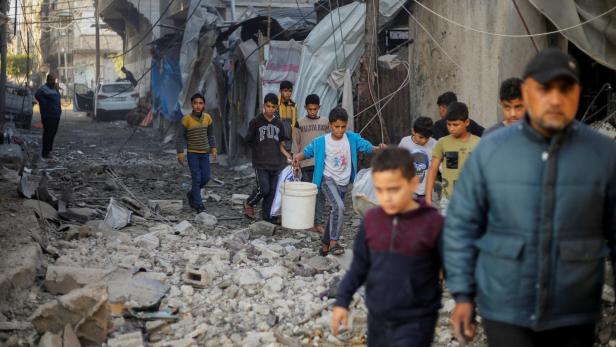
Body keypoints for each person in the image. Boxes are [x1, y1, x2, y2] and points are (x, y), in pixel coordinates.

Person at [444, 48, 616, 347]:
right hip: (505, 309)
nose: (555, 98)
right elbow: (461, 226)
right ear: (527, 91)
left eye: (566, 88)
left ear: (578, 93)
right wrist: (462, 294)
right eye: (544, 88)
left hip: (574, 312)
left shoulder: (603, 155)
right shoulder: (491, 151)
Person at [331, 147, 444, 346]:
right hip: (378, 317)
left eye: (394, 189)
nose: (386, 197)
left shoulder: (432, 223)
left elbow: (454, 267)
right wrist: (342, 302)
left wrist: (464, 299)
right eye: (379, 190)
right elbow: (358, 268)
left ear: (413, 183)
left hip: (417, 319)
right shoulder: (372, 221)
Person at [293, 107, 383, 256]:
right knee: (339, 207)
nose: (340, 130)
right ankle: (334, 242)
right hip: (327, 180)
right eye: (336, 127)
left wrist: (377, 149)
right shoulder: (322, 141)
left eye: (343, 127)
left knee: (336, 211)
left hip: (343, 182)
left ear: (346, 125)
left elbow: (366, 147)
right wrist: (297, 158)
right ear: (330, 125)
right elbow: (308, 151)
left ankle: (325, 245)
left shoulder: (352, 138)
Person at [244, 93, 292, 222]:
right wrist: (257, 150)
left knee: (272, 191)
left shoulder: (279, 124)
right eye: (267, 106)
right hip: (260, 163)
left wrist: (288, 156)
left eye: (273, 107)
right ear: (264, 105)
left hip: (276, 163)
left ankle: (267, 218)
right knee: (263, 189)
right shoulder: (256, 122)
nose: (270, 109)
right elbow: (248, 139)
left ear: (276, 107)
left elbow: (281, 143)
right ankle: (249, 202)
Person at [425, 102, 480, 208]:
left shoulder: (478, 143)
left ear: (467, 122)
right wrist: (428, 197)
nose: (451, 128)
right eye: (449, 124)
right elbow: (433, 170)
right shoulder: (442, 142)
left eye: (455, 125)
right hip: (448, 200)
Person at [293, 94, 330, 233]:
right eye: (310, 109)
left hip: (321, 164)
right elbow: (296, 144)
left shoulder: (326, 122)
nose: (312, 112)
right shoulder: (299, 123)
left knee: (320, 194)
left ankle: (317, 222)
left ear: (319, 107)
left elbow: (330, 142)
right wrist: (295, 161)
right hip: (306, 164)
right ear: (305, 108)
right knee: (307, 194)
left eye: (315, 109)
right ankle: (306, 221)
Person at [176, 93, 217, 213]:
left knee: (206, 177)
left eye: (200, 103)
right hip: (192, 153)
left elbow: (211, 135)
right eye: (195, 103)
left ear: (204, 105)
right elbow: (180, 137)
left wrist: (214, 149)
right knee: (196, 178)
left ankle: (192, 193)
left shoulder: (208, 118)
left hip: (205, 153)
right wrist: (180, 153)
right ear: (192, 105)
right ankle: (199, 205)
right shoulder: (186, 120)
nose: (198, 106)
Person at [398, 116, 437, 199]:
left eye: (427, 138)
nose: (424, 141)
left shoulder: (434, 144)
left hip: (425, 192)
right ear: (413, 131)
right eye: (421, 137)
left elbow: (439, 166)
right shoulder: (405, 142)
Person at [35, 74, 62, 159]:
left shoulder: (54, 89)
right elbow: (37, 95)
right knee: (48, 134)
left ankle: (49, 151)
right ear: (48, 80)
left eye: (54, 80)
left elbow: (57, 99)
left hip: (56, 115)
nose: (54, 82)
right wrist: (45, 105)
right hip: (48, 116)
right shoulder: (43, 89)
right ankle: (45, 153)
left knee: (53, 134)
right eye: (52, 80)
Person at [277, 80, 297, 155]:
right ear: (280, 91)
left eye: (290, 91)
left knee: (288, 162)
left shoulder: (293, 105)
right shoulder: (275, 105)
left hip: (289, 140)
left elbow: (294, 123)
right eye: (285, 91)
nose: (288, 93)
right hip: (277, 139)